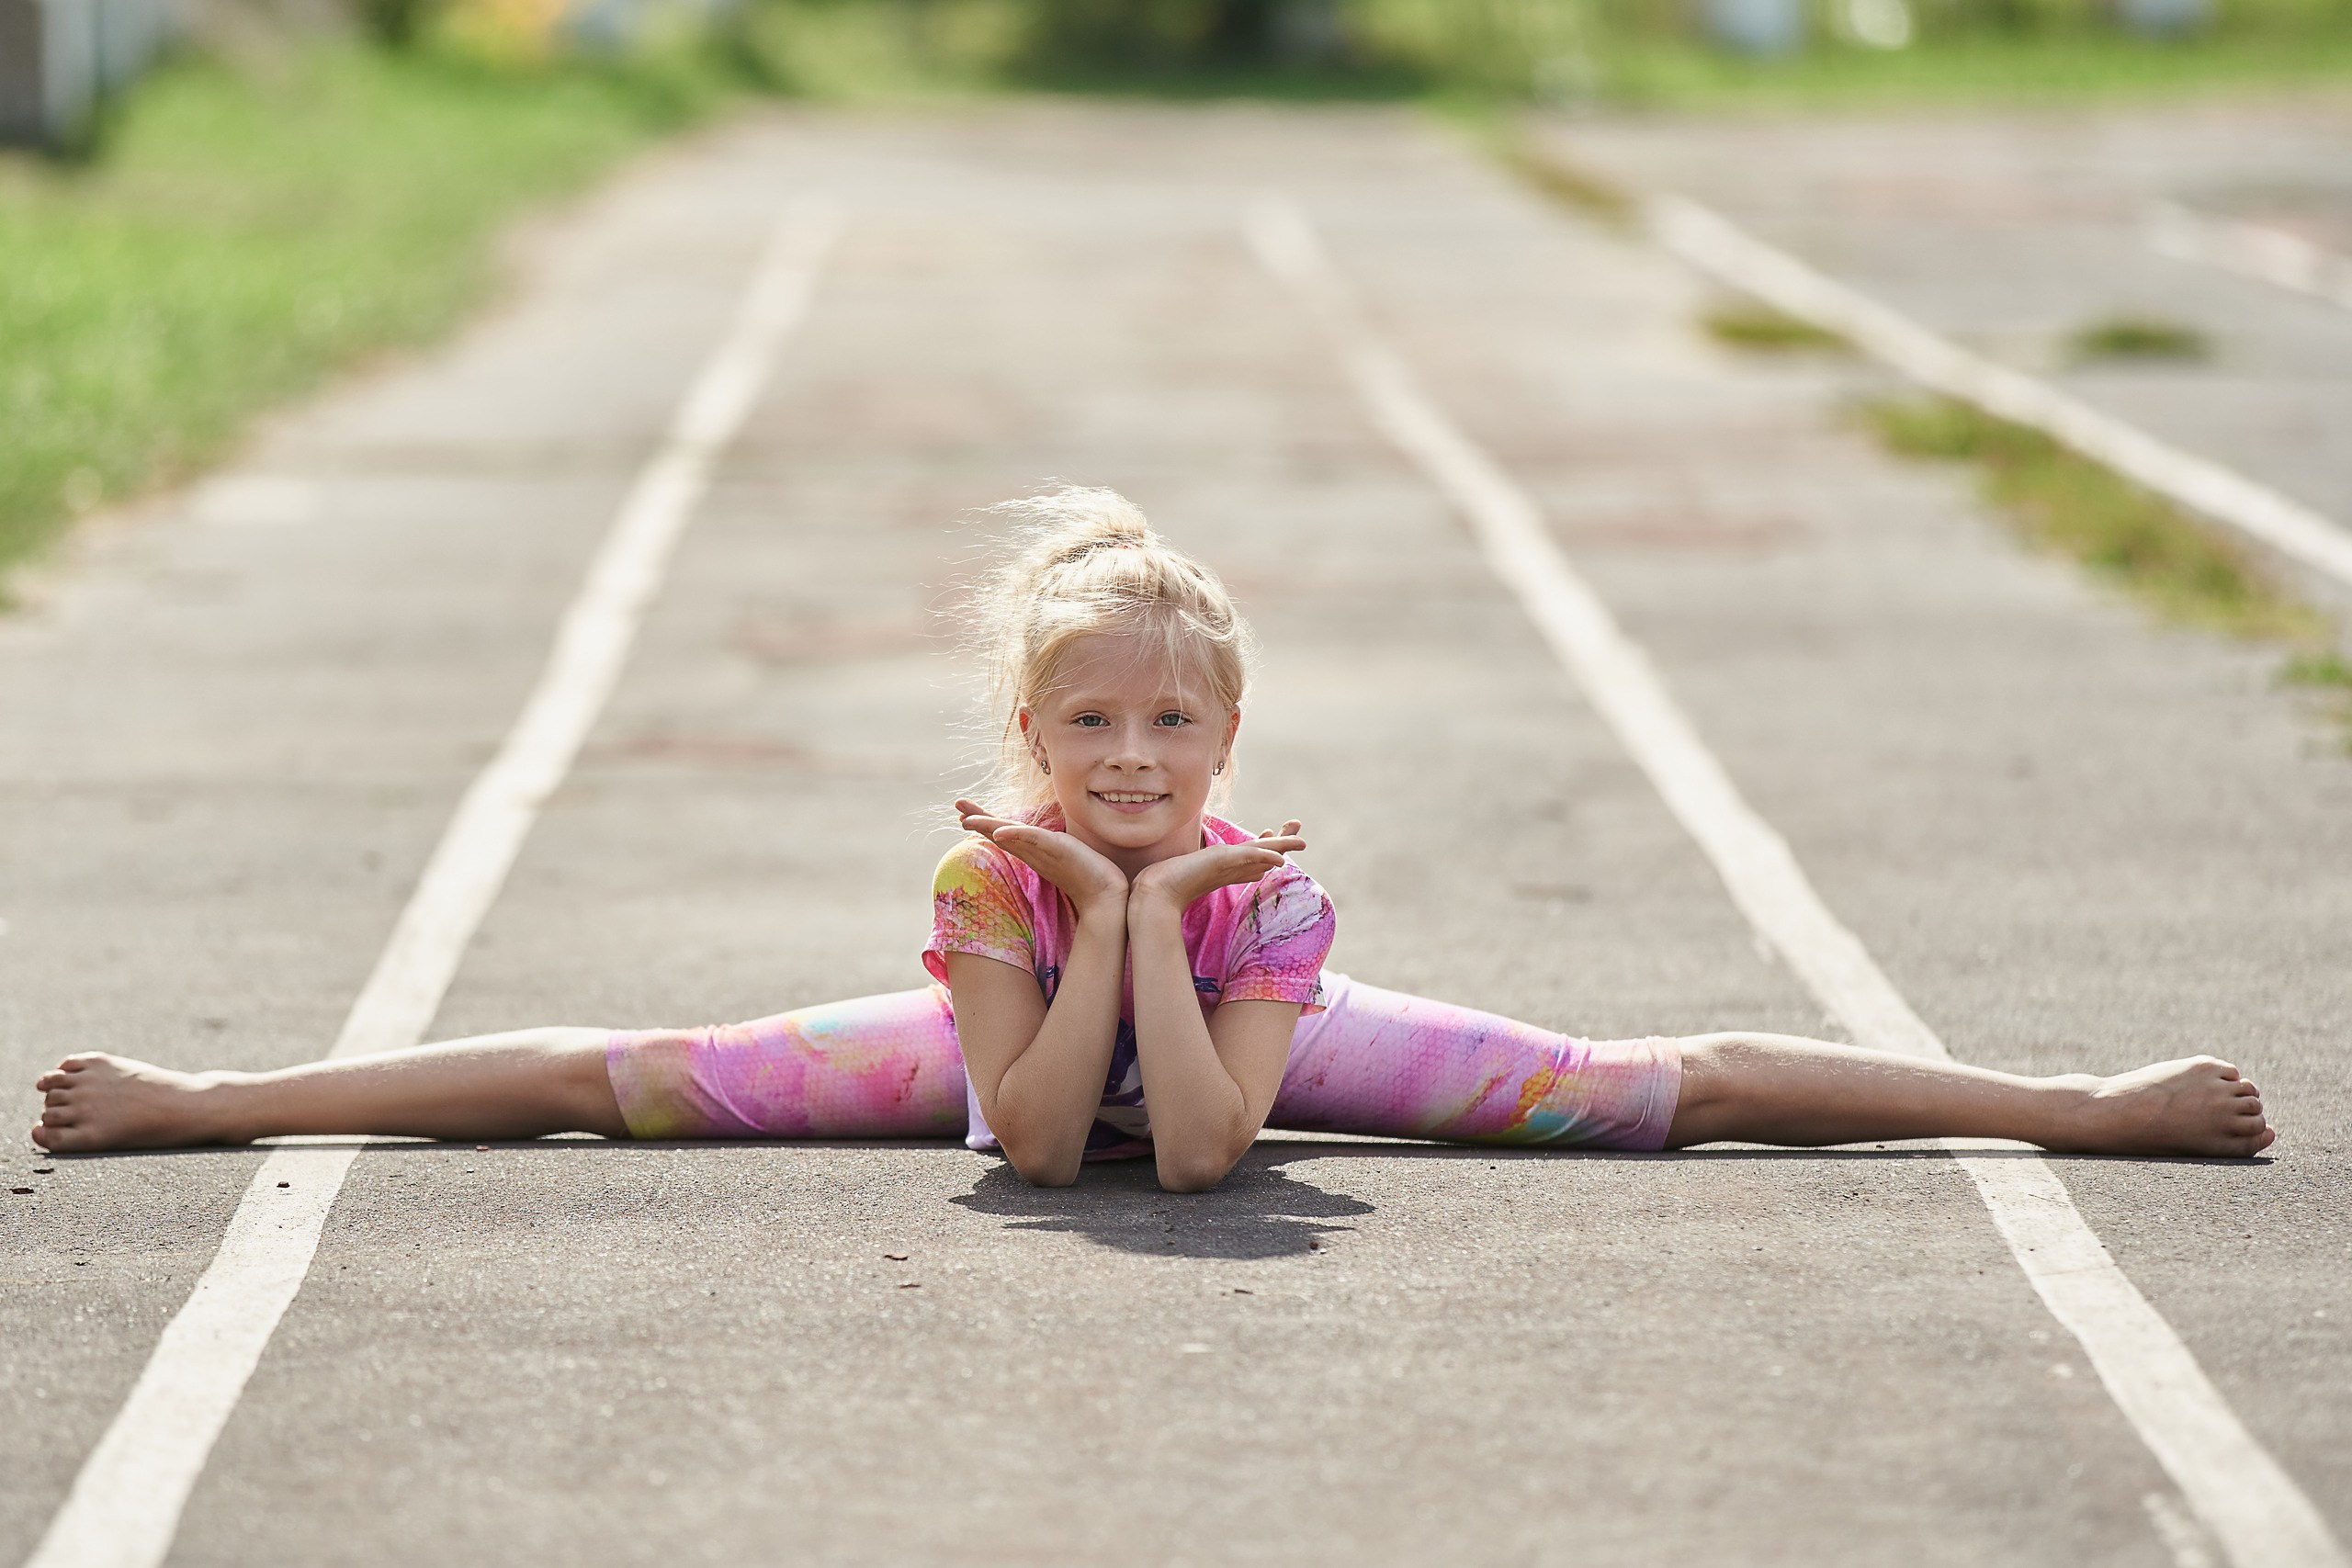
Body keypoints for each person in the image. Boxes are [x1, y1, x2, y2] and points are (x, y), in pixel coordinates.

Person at [29, 488, 2274, 1189]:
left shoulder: (1269, 883)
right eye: (1087, 723)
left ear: (1229, 731)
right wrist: (1101, 907)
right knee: (602, 1075)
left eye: (1169, 724)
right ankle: (223, 1099)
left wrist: (1177, 921)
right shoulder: (983, 872)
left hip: (1233, 1030)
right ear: (1026, 729)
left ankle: (2063, 1105)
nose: (1129, 753)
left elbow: (1197, 1159)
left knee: (1647, 1088)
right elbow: (1027, 1141)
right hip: (1033, 1016)